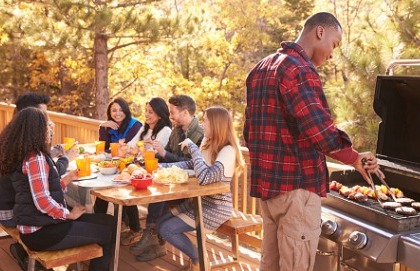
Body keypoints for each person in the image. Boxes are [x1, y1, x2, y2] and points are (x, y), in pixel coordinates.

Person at [243, 12, 384, 271]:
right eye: (334, 44)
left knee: (270, 265)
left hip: (269, 189)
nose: (332, 54)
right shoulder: (298, 69)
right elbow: (319, 130)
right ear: (320, 32)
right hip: (297, 190)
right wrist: (353, 158)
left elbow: (249, 132)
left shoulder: (260, 68)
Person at [0, 107, 116, 271]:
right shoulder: (35, 158)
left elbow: (39, 190)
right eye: (47, 125)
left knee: (109, 221)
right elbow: (42, 201)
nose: (51, 127)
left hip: (38, 223)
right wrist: (68, 214)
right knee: (108, 234)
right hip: (42, 232)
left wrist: (67, 179)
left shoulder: (25, 153)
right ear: (36, 130)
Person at [153, 106, 244, 271]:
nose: (202, 125)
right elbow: (191, 164)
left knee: (167, 229)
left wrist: (193, 148)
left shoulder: (228, 151)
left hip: (216, 208)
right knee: (160, 223)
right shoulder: (208, 143)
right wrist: (160, 167)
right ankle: (198, 258)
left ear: (216, 124)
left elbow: (205, 177)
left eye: (205, 121)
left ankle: (199, 259)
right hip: (199, 202)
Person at [0, 92, 79, 271]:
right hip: (12, 213)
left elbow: (40, 170)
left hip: (9, 206)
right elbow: (41, 174)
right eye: (44, 117)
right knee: (62, 208)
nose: (48, 122)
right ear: (30, 117)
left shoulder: (11, 138)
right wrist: (65, 159)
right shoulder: (27, 151)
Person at [130, 94, 204, 261]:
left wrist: (164, 154)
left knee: (158, 196)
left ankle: (152, 236)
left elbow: (192, 164)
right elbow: (169, 155)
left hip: (191, 185)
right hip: (175, 180)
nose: (169, 116)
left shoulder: (199, 134)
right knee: (155, 189)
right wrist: (155, 153)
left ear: (185, 112)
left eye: (172, 112)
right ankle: (154, 241)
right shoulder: (177, 130)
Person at [119, 97, 172, 246]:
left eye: (151, 112)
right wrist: (135, 147)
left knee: (127, 189)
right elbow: (130, 146)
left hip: (155, 171)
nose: (147, 115)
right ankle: (134, 228)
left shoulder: (165, 130)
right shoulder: (145, 128)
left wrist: (138, 149)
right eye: (146, 111)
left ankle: (143, 232)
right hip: (139, 168)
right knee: (122, 187)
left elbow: (154, 154)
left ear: (160, 114)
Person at [95, 97, 143, 245]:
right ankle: (99, 227)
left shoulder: (135, 125)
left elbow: (124, 148)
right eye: (114, 110)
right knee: (101, 192)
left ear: (126, 111)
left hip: (131, 165)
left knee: (124, 194)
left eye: (121, 110)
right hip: (114, 165)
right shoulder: (109, 125)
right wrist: (103, 126)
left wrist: (114, 150)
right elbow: (105, 148)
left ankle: (135, 229)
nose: (117, 113)